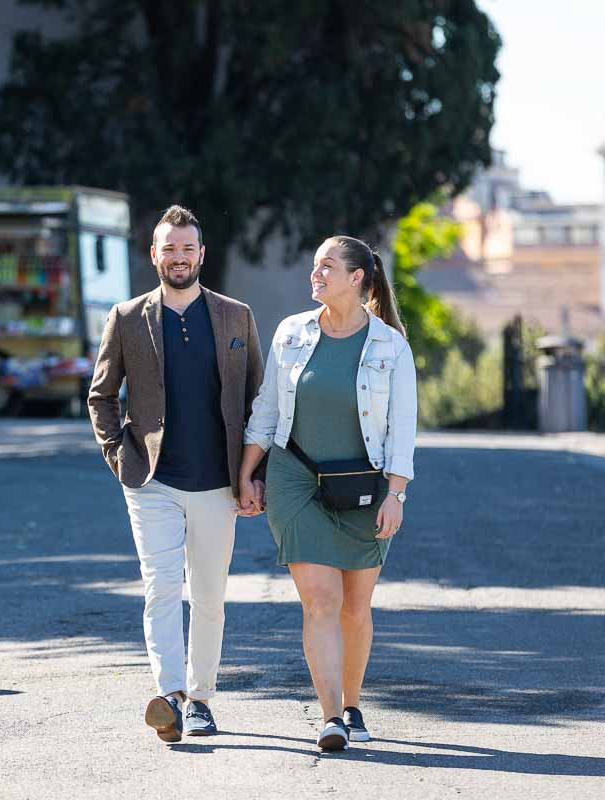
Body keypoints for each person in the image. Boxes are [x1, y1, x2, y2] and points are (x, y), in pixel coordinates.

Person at [88, 205, 265, 743]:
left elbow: (261, 400)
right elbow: (100, 396)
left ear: (202, 254)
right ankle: (168, 695)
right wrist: (120, 457)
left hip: (219, 481)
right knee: (161, 588)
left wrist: (255, 476)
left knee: (209, 594)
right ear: (155, 255)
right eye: (170, 248)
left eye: (188, 248)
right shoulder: (126, 317)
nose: (179, 257)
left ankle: (202, 698)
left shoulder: (237, 317)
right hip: (152, 481)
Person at [238, 235, 417, 751]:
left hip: (366, 484)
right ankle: (331, 717)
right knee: (321, 600)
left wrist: (396, 494)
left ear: (357, 277)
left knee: (355, 608)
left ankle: (355, 703)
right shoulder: (290, 333)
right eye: (315, 265)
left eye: (328, 266)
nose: (315, 274)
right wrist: (249, 475)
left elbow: (403, 427)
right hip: (296, 478)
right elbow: (266, 410)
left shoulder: (390, 346)